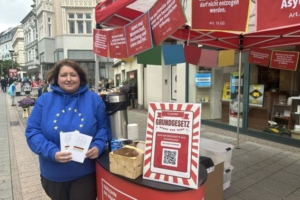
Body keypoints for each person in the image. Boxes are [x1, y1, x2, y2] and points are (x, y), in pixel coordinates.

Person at [25, 59, 109, 200]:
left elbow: (104, 127)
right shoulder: (44, 100)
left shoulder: (93, 99)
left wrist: (98, 145)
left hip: (85, 171)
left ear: (80, 78)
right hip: (53, 173)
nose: (69, 79)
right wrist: (52, 152)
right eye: (64, 75)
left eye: (73, 75)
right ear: (57, 78)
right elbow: (32, 132)